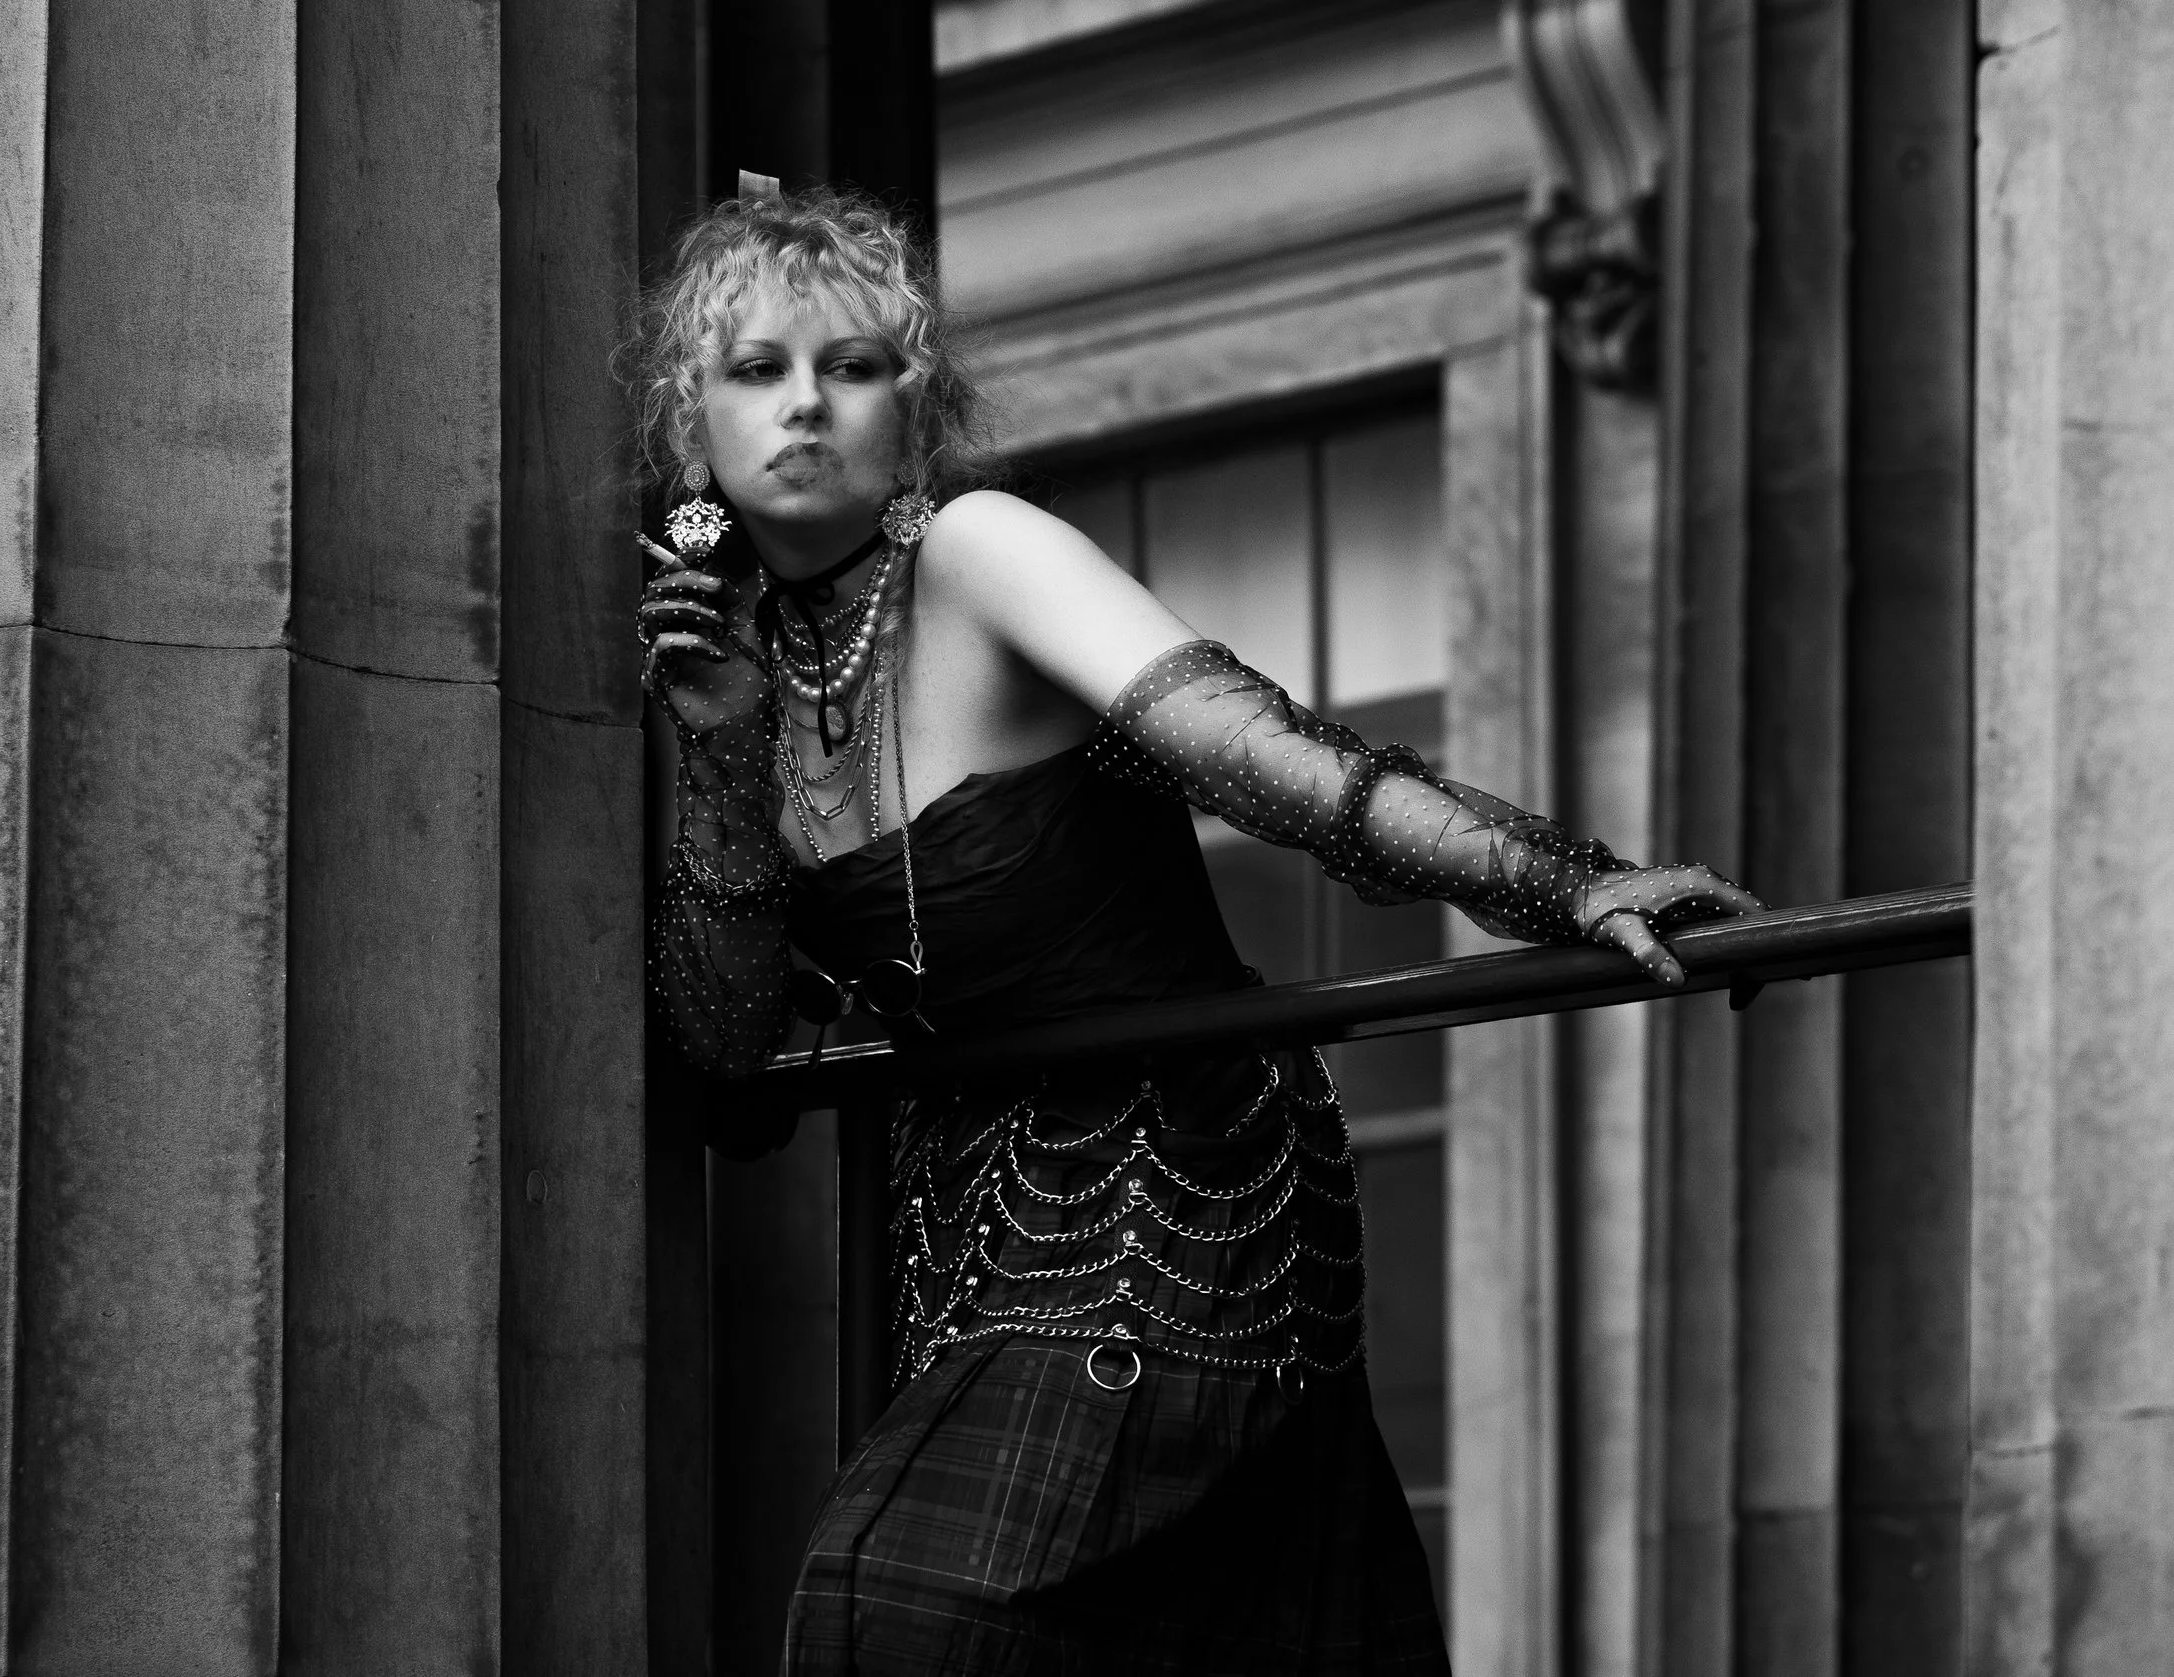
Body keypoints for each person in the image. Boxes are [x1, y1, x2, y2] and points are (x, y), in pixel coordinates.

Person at [632, 186, 1756, 1676]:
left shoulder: (978, 549)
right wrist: (715, 753)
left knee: (896, 1603)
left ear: (917, 401)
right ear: (690, 425)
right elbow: (721, 1044)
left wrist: (1560, 880)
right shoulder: (734, 664)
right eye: (755, 371)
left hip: (1185, 1177)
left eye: (853, 367)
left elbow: (1259, 755)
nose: (805, 408)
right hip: (972, 1233)